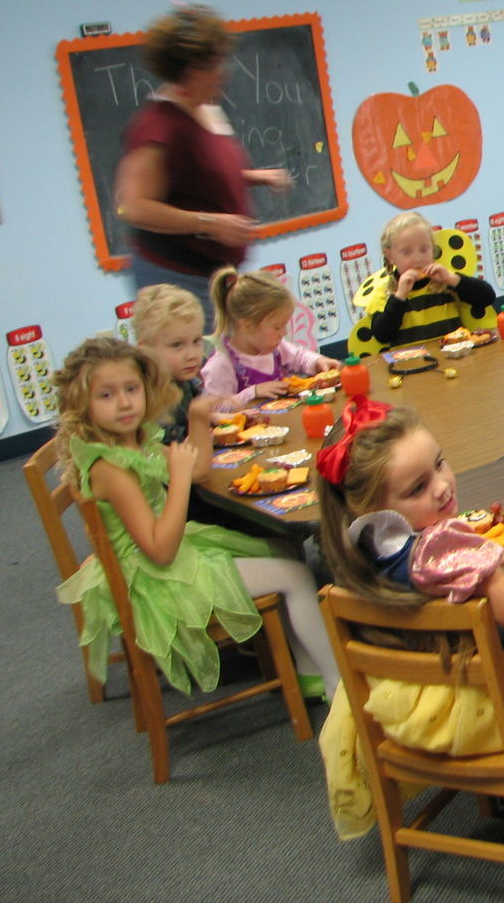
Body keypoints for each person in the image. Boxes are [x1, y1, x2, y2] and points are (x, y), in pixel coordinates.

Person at [312, 398, 504, 838]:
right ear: (372, 506)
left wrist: (489, 554)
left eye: (439, 464)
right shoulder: (449, 556)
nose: (442, 487)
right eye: (417, 489)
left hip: (404, 702)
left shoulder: (359, 546)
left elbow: (433, 564)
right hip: (477, 703)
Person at [51, 336, 338, 700]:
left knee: (281, 546)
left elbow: (199, 470)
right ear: (81, 404)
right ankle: (336, 683)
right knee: (297, 575)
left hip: (171, 552)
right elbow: (160, 550)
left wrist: (198, 420)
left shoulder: (131, 438)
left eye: (131, 389)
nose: (124, 402)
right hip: (158, 577)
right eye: (106, 395)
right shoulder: (111, 468)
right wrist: (179, 483)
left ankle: (308, 671)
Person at [113, 4, 293, 327]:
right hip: (178, 277)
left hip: (215, 274)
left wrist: (253, 177)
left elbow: (201, 174)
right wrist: (210, 223)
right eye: (212, 65)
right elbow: (134, 207)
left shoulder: (204, 110)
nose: (222, 73)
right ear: (189, 70)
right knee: (204, 365)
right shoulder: (158, 126)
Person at [346, 210, 497, 357]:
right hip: (409, 364)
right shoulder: (385, 291)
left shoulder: (443, 280)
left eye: (424, 249)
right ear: (390, 255)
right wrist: (400, 296)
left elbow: (487, 297)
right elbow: (383, 335)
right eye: (406, 252)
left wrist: (453, 279)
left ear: (433, 248)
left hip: (452, 357)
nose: (417, 259)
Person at [200, 266, 342, 409]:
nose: (284, 332)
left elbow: (299, 356)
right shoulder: (221, 365)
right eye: (277, 327)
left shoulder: (276, 347)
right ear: (247, 325)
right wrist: (253, 392)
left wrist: (318, 361)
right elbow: (213, 409)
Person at [131, 284, 218, 453]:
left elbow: (196, 419)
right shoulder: (150, 400)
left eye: (196, 341)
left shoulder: (187, 381)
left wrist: (215, 418)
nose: (192, 355)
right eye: (177, 345)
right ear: (146, 350)